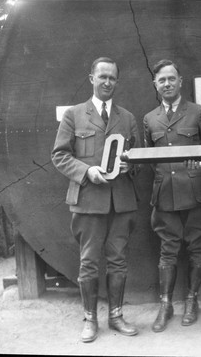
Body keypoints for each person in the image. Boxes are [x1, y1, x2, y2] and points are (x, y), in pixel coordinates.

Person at [51, 57, 140, 342]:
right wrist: (87, 170)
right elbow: (59, 155)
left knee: (118, 261)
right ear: (91, 78)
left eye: (112, 78)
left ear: (117, 81)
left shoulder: (127, 118)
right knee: (88, 262)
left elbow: (138, 157)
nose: (107, 82)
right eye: (102, 76)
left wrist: (131, 166)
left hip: (122, 202)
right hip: (88, 200)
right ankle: (90, 319)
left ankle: (116, 315)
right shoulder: (74, 115)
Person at [143, 59, 201, 332]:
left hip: (196, 194)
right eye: (162, 80)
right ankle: (165, 304)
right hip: (165, 196)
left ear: (180, 81)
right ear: (155, 85)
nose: (167, 84)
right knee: (167, 251)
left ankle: (192, 300)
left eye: (171, 79)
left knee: (196, 247)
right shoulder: (150, 118)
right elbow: (151, 159)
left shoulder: (198, 112)